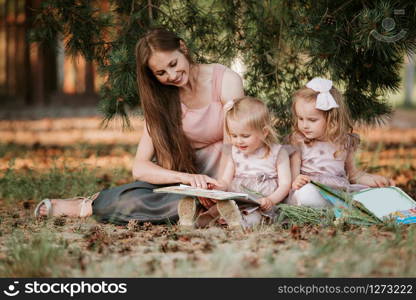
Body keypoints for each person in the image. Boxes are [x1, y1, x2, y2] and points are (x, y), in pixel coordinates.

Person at [34, 28, 244, 224]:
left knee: (209, 203)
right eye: (161, 73)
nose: (171, 76)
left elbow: (232, 146)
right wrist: (187, 179)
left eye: (173, 64)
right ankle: (87, 206)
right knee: (145, 198)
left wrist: (221, 184)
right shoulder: (161, 99)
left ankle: (209, 207)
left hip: (231, 172)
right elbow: (140, 167)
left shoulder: (225, 80)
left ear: (183, 48)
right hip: (190, 180)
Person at [178, 97, 291, 229]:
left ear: (264, 132)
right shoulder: (234, 151)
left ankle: (237, 222)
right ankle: (194, 221)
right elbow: (226, 180)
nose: (238, 141)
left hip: (262, 203)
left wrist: (271, 200)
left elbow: (285, 184)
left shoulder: (277, 152)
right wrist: (218, 187)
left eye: (245, 136)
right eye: (234, 135)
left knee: (254, 217)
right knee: (216, 210)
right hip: (237, 200)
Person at [288, 77, 395, 207]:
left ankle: (343, 206)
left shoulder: (344, 142)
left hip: (339, 192)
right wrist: (297, 180)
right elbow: (293, 177)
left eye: (312, 120)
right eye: (300, 118)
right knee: (307, 195)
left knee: (374, 194)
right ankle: (339, 207)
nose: (304, 125)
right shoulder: (299, 141)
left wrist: (373, 180)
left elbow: (353, 175)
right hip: (311, 189)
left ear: (332, 118)